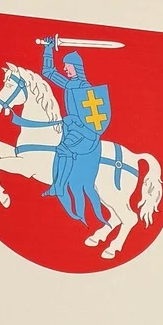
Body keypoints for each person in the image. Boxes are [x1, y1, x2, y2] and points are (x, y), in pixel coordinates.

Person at [39, 37, 108, 224]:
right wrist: (48, 48)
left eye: (67, 66)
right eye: (64, 65)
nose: (64, 69)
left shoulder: (86, 88)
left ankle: (59, 187)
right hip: (72, 129)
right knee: (58, 148)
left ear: (76, 67)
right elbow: (48, 72)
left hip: (86, 133)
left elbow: (92, 117)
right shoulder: (70, 84)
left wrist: (73, 121)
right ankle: (57, 185)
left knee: (63, 149)